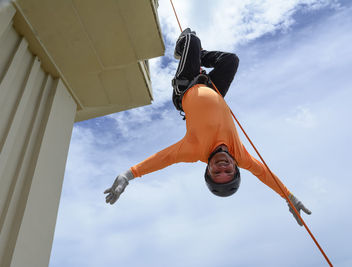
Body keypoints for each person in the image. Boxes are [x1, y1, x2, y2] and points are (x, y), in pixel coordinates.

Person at [104, 28, 311, 226]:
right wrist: (289, 197)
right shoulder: (241, 155)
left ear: (208, 169)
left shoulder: (193, 150)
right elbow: (265, 174)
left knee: (191, 39)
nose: (222, 168)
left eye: (217, 173)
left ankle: (186, 50)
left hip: (187, 86)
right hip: (213, 88)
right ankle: (198, 55)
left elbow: (162, 159)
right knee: (231, 60)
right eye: (228, 172)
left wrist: (128, 175)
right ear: (236, 167)